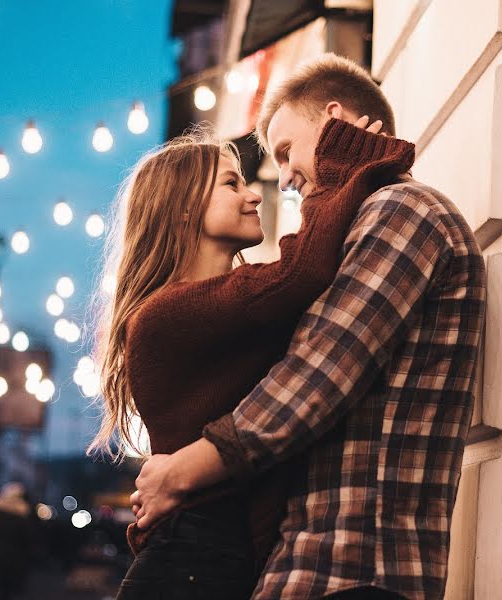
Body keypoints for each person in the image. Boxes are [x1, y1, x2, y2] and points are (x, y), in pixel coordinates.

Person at [130, 53, 487, 600]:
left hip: (356, 563)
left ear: (334, 123)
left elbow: (314, 378)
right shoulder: (173, 311)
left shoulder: (401, 211)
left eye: (285, 152)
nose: (280, 181)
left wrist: (180, 472)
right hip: (315, 560)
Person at [89, 112, 413, 599]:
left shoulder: (229, 308)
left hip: (212, 559)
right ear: (181, 208)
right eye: (230, 183)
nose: (255, 193)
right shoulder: (168, 312)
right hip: (192, 564)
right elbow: (303, 271)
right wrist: (342, 162)